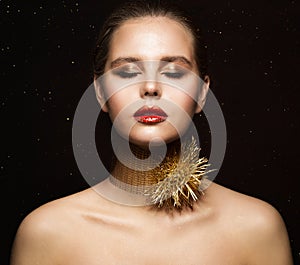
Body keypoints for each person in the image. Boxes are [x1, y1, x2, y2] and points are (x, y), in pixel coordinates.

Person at [10, 1, 293, 264]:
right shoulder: (47, 233)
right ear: (99, 92)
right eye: (128, 72)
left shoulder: (257, 227)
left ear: (202, 92)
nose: (150, 87)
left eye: (173, 72)